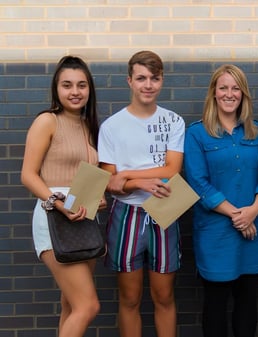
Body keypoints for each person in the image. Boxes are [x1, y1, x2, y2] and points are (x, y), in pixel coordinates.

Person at [98, 50, 185, 337]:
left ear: (161, 81)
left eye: (154, 78)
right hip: (126, 213)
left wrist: (127, 175)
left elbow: (172, 169)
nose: (148, 85)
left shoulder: (173, 121)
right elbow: (111, 182)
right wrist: (136, 183)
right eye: (141, 78)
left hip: (165, 208)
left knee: (164, 297)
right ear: (130, 81)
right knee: (130, 299)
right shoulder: (111, 126)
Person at [184, 64, 258, 337]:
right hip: (216, 234)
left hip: (254, 230)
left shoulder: (257, 132)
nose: (229, 94)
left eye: (235, 88)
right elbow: (198, 182)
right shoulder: (196, 134)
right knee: (215, 303)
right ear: (213, 93)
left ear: (243, 94)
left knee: (248, 302)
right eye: (223, 87)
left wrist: (254, 210)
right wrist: (238, 215)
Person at [21, 55, 103, 337]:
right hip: (54, 217)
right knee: (88, 306)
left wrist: (96, 199)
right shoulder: (47, 121)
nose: (75, 91)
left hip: (83, 219)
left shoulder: (90, 127)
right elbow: (28, 174)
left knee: (71, 305)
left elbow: (85, 178)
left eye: (81, 85)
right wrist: (60, 203)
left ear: (89, 89)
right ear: (56, 89)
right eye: (67, 85)